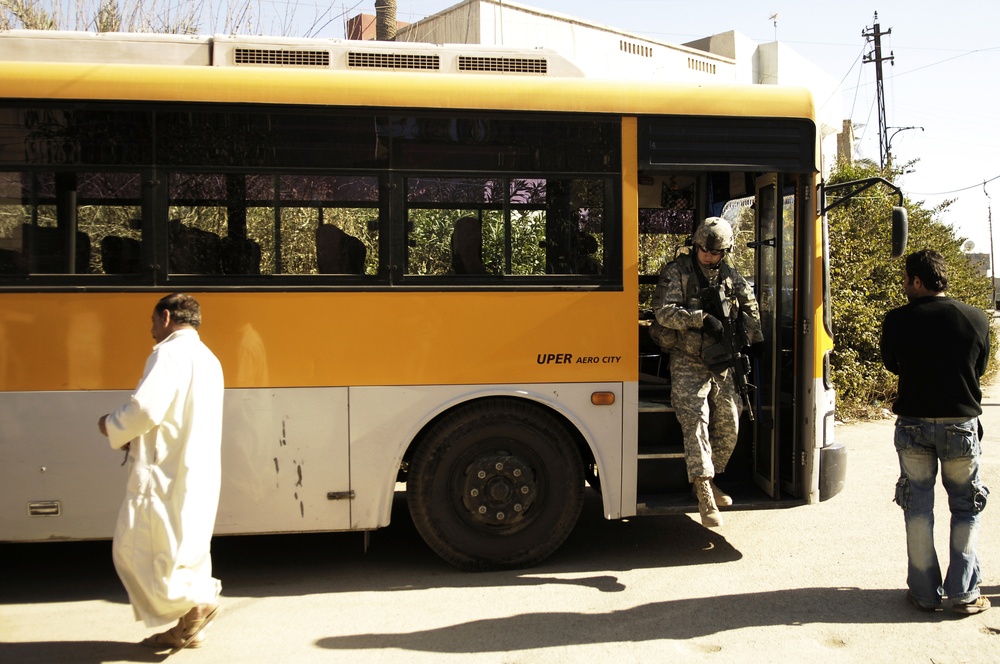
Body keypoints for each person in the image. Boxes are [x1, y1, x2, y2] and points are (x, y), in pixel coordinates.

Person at [98, 293, 226, 651]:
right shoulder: (207, 358)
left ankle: (197, 602)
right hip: (197, 467)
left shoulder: (168, 354)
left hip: (165, 471)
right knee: (188, 546)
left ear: (166, 317)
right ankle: (190, 627)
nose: (152, 330)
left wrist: (111, 425)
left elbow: (146, 410)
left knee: (135, 548)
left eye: (153, 322)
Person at [880, 248, 991, 615]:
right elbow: (981, 366)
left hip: (913, 425)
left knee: (918, 509)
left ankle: (925, 593)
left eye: (905, 280)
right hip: (960, 425)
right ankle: (964, 593)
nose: (904, 287)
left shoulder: (896, 320)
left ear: (916, 280)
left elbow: (892, 364)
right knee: (965, 508)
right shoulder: (976, 318)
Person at [649, 217, 762, 527]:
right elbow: (663, 312)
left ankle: (711, 478)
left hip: (721, 358)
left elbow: (749, 303)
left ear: (725, 252)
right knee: (696, 420)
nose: (709, 257)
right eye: (704, 251)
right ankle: (703, 493)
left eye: (715, 253)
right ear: (696, 245)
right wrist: (700, 318)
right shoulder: (677, 272)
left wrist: (754, 337)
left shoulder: (728, 275)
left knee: (731, 422)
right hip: (688, 357)